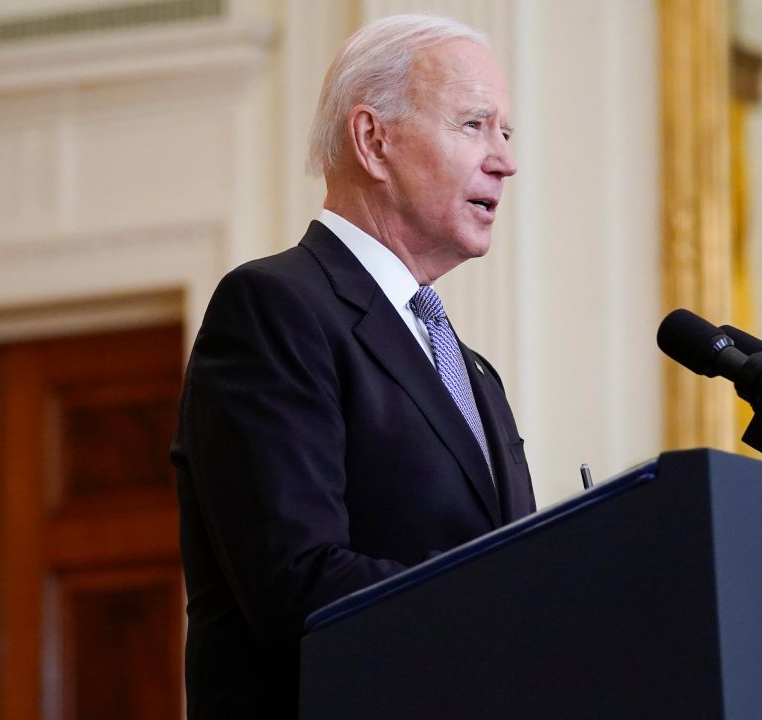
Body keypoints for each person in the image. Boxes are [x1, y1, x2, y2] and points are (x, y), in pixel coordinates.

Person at [170, 15, 534, 719]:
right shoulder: (275, 308)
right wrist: (513, 612)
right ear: (374, 141)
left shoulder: (472, 371)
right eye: (474, 125)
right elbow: (297, 581)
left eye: (506, 133)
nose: (504, 160)